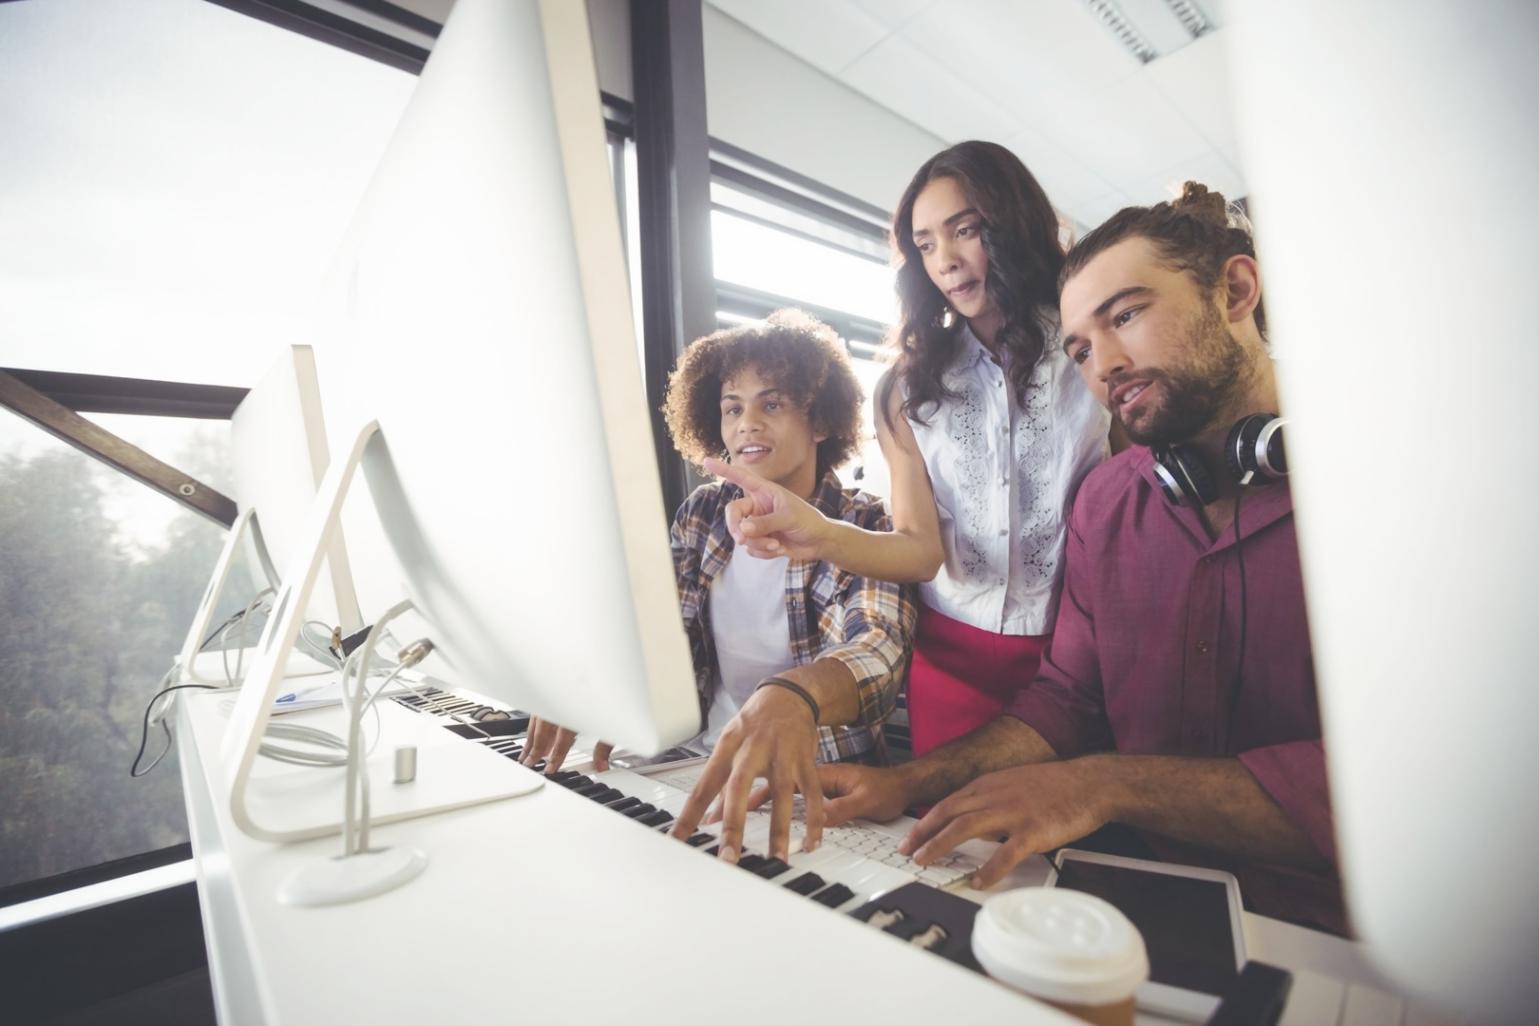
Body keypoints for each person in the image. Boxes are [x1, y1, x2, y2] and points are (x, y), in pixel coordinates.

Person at [794, 183, 1346, 934]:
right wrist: (906, 781)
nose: (1104, 364)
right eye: (1080, 348)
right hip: (1125, 891)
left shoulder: (1382, 499)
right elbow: (1067, 702)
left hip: (1341, 923)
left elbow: (1398, 781)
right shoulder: (1109, 503)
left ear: (1236, 291)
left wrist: (1104, 784)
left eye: (1126, 315)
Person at [709, 141, 1110, 767]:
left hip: (1078, 661)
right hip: (950, 663)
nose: (945, 261)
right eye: (924, 244)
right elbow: (921, 552)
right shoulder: (908, 387)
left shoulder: (1093, 349)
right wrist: (821, 533)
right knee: (952, 850)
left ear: (1011, 224)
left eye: (965, 230)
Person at [521, 310, 916, 864]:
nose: (746, 424)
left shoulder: (866, 524)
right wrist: (589, 680)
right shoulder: (703, 513)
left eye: (771, 404)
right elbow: (661, 633)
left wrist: (794, 696)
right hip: (687, 765)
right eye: (733, 408)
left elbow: (878, 652)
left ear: (821, 421)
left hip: (814, 787)